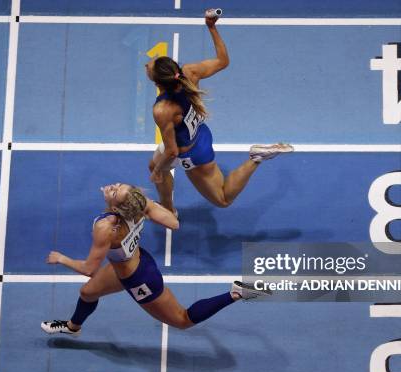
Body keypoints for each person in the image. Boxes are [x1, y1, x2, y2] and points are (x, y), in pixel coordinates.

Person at [41, 183, 269, 335]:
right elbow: (174, 223)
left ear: (118, 208)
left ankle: (236, 293)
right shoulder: (140, 205)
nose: (112, 187)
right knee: (88, 293)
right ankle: (73, 327)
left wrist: (62, 258)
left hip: (140, 280)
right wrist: (149, 206)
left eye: (115, 192)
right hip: (134, 261)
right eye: (117, 187)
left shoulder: (105, 228)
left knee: (182, 320)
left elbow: (90, 268)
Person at [146, 10, 292, 214]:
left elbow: (172, 152)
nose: (147, 64)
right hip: (200, 133)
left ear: (157, 81)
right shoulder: (189, 72)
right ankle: (168, 207)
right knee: (154, 166)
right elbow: (223, 61)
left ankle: (256, 158)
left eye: (150, 67)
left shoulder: (163, 110)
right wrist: (211, 27)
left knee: (223, 199)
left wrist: (159, 171)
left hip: (192, 154)